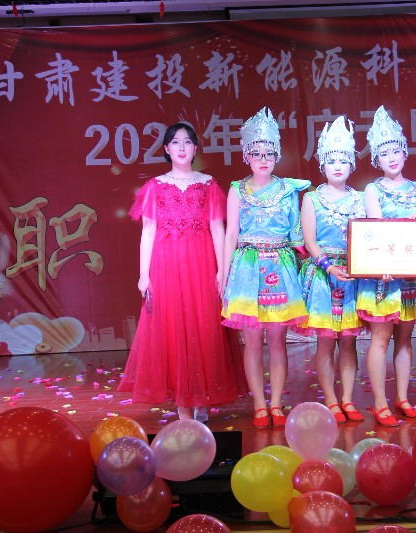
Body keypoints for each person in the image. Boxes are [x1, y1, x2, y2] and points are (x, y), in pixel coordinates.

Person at [118, 122, 245, 423]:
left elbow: (218, 229)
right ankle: (182, 403)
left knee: (204, 326)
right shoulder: (155, 186)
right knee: (172, 327)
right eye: (175, 142)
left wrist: (222, 269)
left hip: (202, 262)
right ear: (166, 149)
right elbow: (148, 231)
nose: (182, 147)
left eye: (187, 142)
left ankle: (202, 397)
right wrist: (143, 275)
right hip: (166, 265)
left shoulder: (208, 184)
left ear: (195, 148)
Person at [221, 107, 310, 428]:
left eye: (269, 154)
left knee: (277, 341)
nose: (263, 159)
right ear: (246, 156)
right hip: (247, 268)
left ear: (276, 156)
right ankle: (259, 403)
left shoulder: (288, 190)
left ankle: (275, 403)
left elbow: (297, 234)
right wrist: (224, 273)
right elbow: (231, 234)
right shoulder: (237, 190)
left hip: (281, 266)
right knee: (253, 341)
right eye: (256, 153)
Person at [357, 106, 416, 426]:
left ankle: (402, 397)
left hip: (412, 275)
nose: (391, 158)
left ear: (405, 152)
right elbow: (377, 228)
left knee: (405, 337)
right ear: (377, 158)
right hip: (385, 276)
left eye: (395, 151)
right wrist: (384, 261)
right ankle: (380, 402)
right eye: (384, 153)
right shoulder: (372, 189)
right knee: (380, 338)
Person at [297, 116, 366, 423]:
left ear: (352, 164)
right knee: (326, 341)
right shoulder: (311, 199)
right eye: (332, 161)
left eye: (343, 160)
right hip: (324, 276)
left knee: (349, 341)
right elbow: (310, 242)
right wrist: (329, 266)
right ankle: (331, 400)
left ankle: (348, 399)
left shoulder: (361, 199)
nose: (338, 166)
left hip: (352, 275)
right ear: (322, 165)